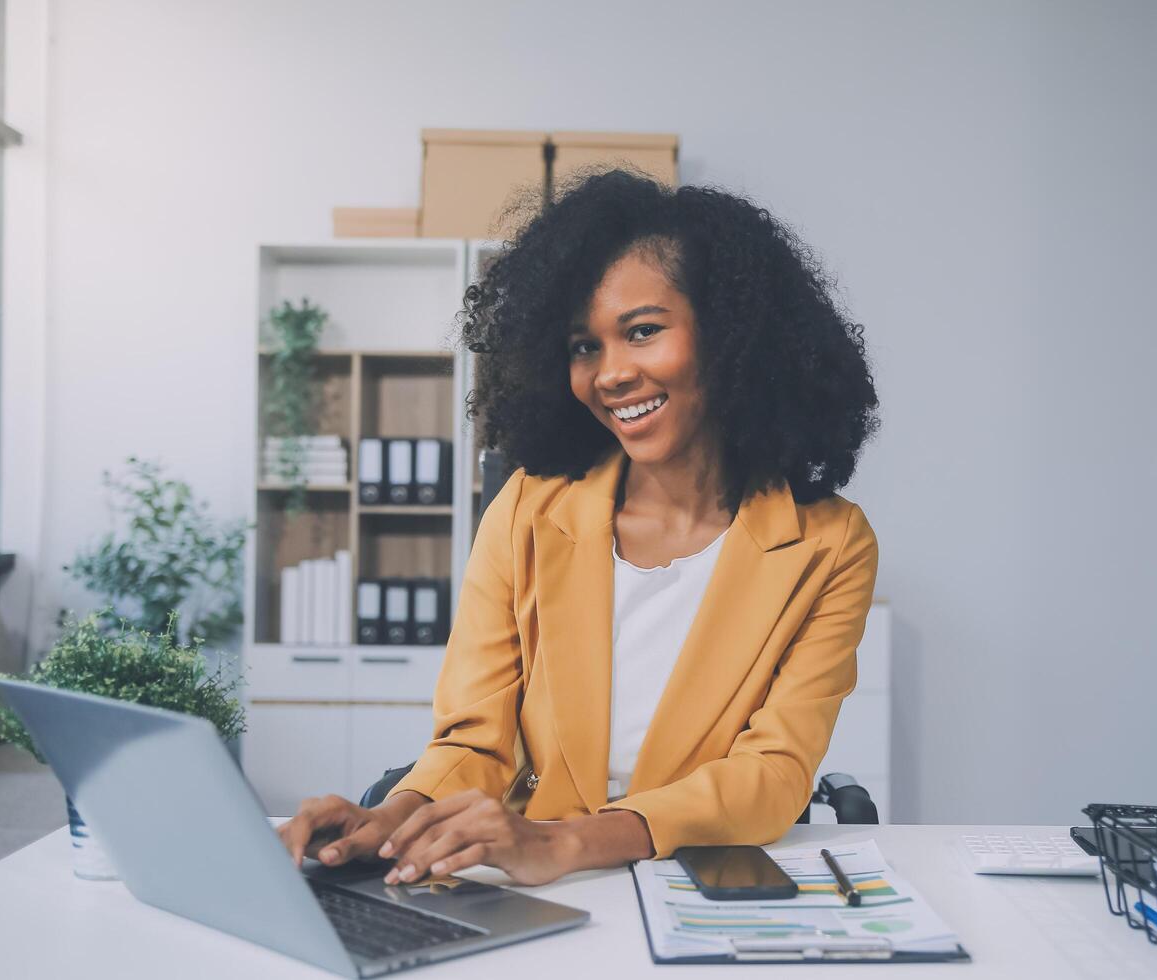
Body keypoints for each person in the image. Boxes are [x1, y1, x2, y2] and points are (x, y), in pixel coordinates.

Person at [278, 169, 880, 886]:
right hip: (537, 886)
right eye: (583, 346)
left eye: (643, 332)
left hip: (692, 882)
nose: (610, 374)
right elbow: (475, 738)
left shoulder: (828, 544)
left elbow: (774, 773)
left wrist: (566, 843)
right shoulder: (528, 510)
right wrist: (396, 817)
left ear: (729, 336)